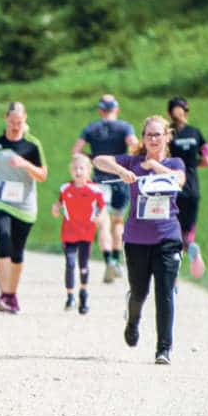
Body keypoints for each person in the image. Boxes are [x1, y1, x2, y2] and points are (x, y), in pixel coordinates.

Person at [93, 115, 186, 365]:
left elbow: (179, 180)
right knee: (139, 292)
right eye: (149, 135)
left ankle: (163, 349)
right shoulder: (132, 161)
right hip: (136, 240)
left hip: (167, 237)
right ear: (143, 139)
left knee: (165, 292)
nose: (154, 139)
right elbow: (98, 160)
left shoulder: (175, 162)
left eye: (158, 134)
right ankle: (132, 321)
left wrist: (155, 167)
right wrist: (122, 171)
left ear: (167, 136)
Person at [0, 101, 48, 314]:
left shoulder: (31, 145)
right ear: (5, 119)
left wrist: (25, 164)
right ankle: (4, 294)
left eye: (19, 122)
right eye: (12, 122)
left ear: (25, 120)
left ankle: (11, 295)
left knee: (17, 249)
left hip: (24, 204)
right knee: (3, 239)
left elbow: (42, 175)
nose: (15, 126)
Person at [73, 94, 139, 283]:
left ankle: (108, 260)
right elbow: (134, 145)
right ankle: (117, 261)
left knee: (102, 223)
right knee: (118, 221)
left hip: (100, 182)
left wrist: (93, 158)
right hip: (120, 180)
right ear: (116, 109)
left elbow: (76, 152)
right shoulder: (125, 127)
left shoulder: (91, 128)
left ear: (100, 110)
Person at [166, 96, 208, 279]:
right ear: (187, 111)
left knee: (171, 233)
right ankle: (191, 247)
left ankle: (172, 273)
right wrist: (191, 166)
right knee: (187, 233)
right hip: (193, 189)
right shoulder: (196, 132)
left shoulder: (168, 133)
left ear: (169, 113)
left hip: (173, 188)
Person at [51, 154, 104, 315]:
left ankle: (84, 294)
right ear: (70, 171)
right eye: (75, 168)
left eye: (82, 168)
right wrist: (55, 208)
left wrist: (98, 216)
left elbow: (101, 207)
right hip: (69, 232)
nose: (78, 171)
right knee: (70, 263)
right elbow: (59, 204)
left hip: (86, 233)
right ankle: (70, 296)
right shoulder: (65, 188)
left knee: (83, 265)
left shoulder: (95, 190)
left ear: (88, 171)